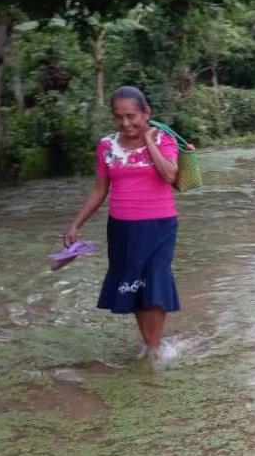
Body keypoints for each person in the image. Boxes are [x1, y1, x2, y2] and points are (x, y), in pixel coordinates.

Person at [64, 86, 181, 360]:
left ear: (146, 113)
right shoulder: (107, 146)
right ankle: (150, 344)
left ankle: (153, 348)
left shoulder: (164, 138)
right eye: (119, 117)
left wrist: (149, 141)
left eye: (132, 116)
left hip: (159, 225)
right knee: (133, 284)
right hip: (121, 227)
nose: (126, 123)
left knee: (154, 281)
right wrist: (75, 224)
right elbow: (99, 189)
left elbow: (170, 175)